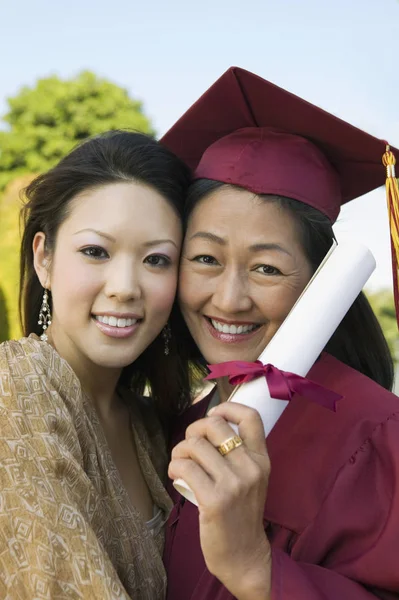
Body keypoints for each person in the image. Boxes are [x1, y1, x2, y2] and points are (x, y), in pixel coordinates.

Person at [161, 67, 399, 599]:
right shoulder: (181, 425)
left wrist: (254, 568)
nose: (228, 299)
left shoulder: (380, 437)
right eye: (205, 259)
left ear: (319, 283)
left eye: (267, 268)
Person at [0, 130, 193, 599]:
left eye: (156, 259)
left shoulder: (152, 427)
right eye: (95, 252)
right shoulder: (15, 388)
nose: (125, 287)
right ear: (44, 257)